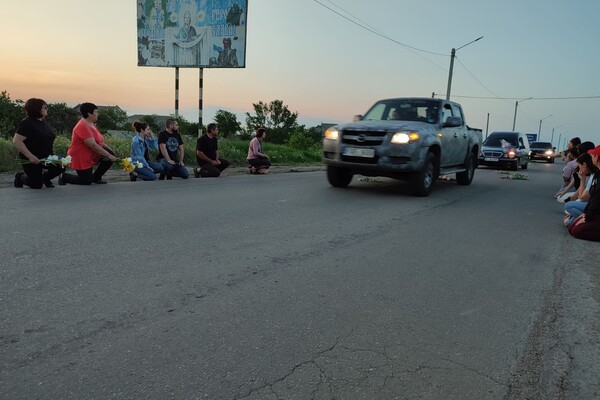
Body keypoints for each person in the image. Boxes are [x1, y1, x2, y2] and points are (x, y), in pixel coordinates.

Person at [59, 103, 117, 185]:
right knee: (85, 181)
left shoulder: (91, 124)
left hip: (91, 154)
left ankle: (96, 178)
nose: (98, 114)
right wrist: (108, 155)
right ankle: (63, 176)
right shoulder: (82, 126)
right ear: (89, 114)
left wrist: (111, 152)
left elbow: (99, 141)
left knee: (109, 157)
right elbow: (92, 145)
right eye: (96, 112)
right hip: (81, 156)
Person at [13, 98, 65, 189]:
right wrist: (30, 156)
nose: (46, 109)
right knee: (36, 184)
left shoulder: (43, 121)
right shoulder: (26, 123)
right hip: (32, 159)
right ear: (36, 109)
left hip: (46, 156)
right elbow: (17, 141)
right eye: (44, 107)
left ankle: (45, 178)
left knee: (62, 164)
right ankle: (20, 177)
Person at [568, 145, 600, 241]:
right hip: (594, 211)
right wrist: (585, 213)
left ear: (596, 157)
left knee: (576, 231)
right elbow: (593, 197)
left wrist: (588, 216)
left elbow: (597, 199)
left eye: (592, 155)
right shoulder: (597, 174)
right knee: (571, 228)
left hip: (597, 213)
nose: (591, 158)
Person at [563, 152, 598, 226]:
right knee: (569, 222)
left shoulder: (594, 176)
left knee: (568, 206)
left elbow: (582, 198)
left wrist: (582, 180)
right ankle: (576, 219)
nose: (579, 169)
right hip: (590, 205)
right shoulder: (592, 175)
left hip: (593, 206)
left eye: (579, 166)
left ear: (584, 164)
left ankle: (586, 220)